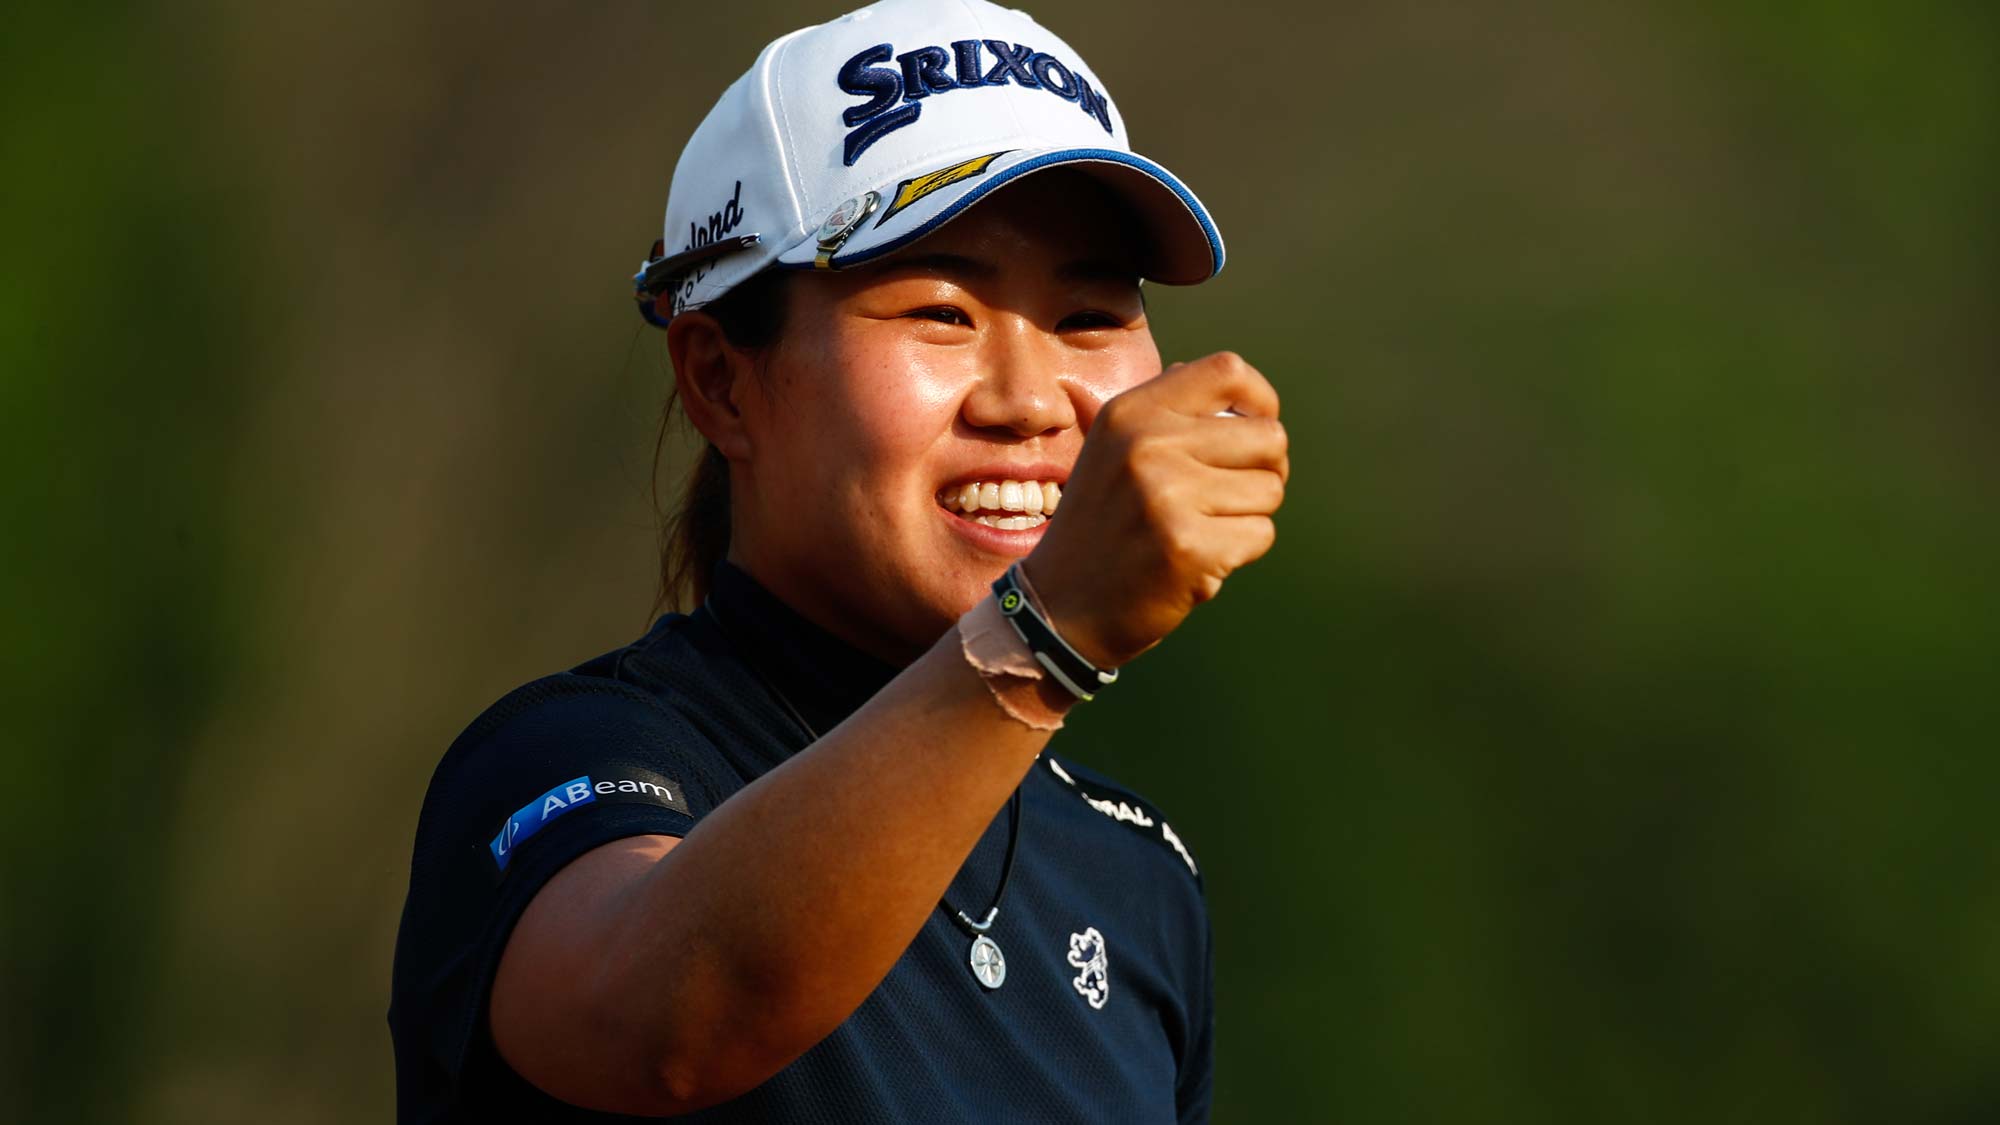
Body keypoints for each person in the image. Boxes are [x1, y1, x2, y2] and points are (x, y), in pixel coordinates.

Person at [388, 0, 1286, 1120]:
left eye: (1089, 315)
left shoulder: (1137, 877)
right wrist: (1040, 638)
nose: (1026, 400)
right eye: (940, 311)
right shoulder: (564, 759)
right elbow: (662, 1022)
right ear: (720, 380)